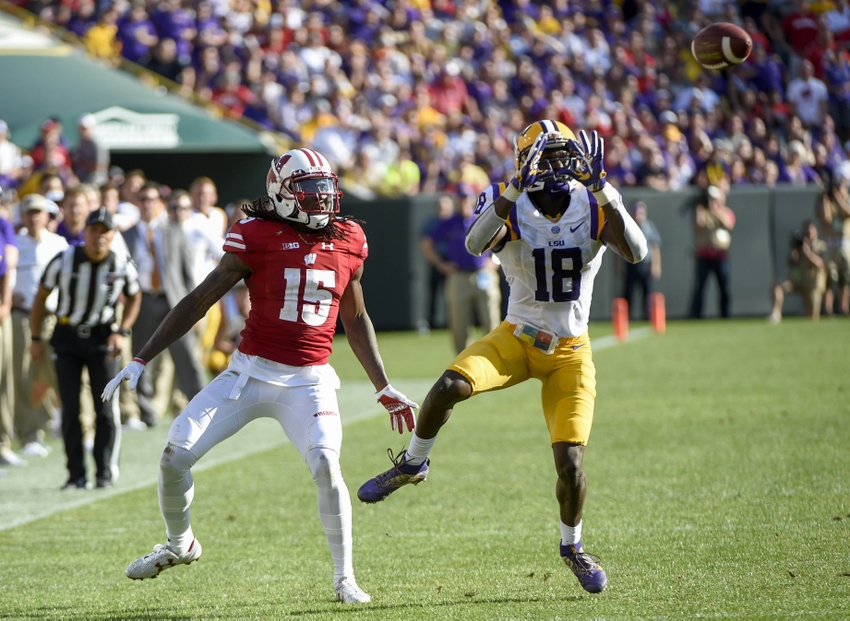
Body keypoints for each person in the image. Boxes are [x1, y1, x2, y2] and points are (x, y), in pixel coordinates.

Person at [101, 147, 418, 604]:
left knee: (327, 464)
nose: (322, 199)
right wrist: (140, 358)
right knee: (173, 457)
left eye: (325, 189)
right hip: (249, 374)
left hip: (309, 380)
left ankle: (344, 577)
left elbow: (357, 317)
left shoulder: (349, 237)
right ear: (282, 192)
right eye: (309, 190)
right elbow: (198, 301)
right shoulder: (255, 234)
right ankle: (179, 544)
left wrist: (382, 384)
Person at [358, 121, 649, 594]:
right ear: (523, 161)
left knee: (571, 464)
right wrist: (513, 190)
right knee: (448, 385)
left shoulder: (593, 199)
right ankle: (413, 463)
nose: (557, 165)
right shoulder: (505, 200)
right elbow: (475, 244)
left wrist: (605, 190)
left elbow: (635, 252)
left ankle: (572, 546)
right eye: (547, 156)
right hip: (516, 337)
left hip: (570, 352)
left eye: (563, 155)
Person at [30, 208, 141, 489]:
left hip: (102, 339)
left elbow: (135, 295)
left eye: (105, 231)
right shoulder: (64, 260)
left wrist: (122, 330)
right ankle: (75, 475)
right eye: (94, 230)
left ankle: (104, 473)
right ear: (85, 232)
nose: (99, 237)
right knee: (70, 409)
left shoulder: (121, 264)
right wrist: (34, 337)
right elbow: (41, 295)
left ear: (113, 235)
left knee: (104, 408)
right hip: (67, 336)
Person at [122, 182, 204, 427]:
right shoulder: (126, 234)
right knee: (141, 357)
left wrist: (196, 307)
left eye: (152, 199)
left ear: (159, 203)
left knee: (187, 356)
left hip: (173, 302)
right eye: (143, 199)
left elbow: (186, 270)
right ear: (137, 203)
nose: (148, 204)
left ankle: (202, 407)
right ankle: (147, 413)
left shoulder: (172, 229)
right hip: (142, 300)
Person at [11, 194, 69, 458]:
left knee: (60, 372)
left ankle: (67, 425)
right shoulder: (14, 244)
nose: (34, 217)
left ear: (48, 216)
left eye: (39, 212)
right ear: (22, 217)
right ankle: (30, 433)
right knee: (26, 375)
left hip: (56, 316)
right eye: (29, 212)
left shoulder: (59, 244)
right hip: (23, 315)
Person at [422, 189, 502, 353]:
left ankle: (495, 358)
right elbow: (427, 243)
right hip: (459, 276)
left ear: (473, 201)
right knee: (460, 324)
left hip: (483, 273)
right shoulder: (450, 222)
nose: (464, 203)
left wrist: (495, 261)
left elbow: (502, 239)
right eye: (461, 200)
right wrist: (441, 265)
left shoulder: (482, 219)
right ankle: (463, 362)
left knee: (491, 320)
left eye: (467, 199)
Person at [689, 185, 736, 319]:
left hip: (720, 255)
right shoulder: (702, 211)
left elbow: (728, 224)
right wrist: (700, 206)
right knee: (700, 287)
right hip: (704, 255)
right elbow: (699, 224)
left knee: (724, 287)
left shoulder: (726, 211)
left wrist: (716, 209)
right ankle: (696, 315)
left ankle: (725, 314)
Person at [769, 221, 828, 322]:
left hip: (813, 284)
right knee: (777, 285)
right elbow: (792, 264)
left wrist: (807, 253)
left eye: (810, 230)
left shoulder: (821, 245)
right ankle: (776, 314)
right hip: (799, 281)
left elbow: (820, 264)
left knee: (813, 316)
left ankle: (803, 315)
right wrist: (794, 251)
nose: (808, 233)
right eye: (806, 231)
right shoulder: (800, 246)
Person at [621, 200, 662, 320]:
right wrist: (620, 265)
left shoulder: (649, 226)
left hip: (646, 264)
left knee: (648, 292)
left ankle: (648, 316)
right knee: (628, 292)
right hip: (631, 263)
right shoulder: (627, 226)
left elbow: (655, 246)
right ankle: (626, 317)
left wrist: (656, 265)